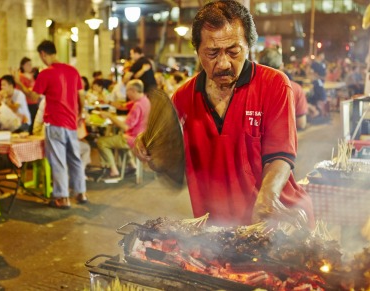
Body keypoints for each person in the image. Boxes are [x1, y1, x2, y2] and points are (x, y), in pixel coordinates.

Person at [134, 0, 313, 228]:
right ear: (197, 51)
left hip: (277, 219)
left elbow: (281, 155)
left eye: (233, 51)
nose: (223, 63)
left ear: (248, 46)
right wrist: (148, 146)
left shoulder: (274, 84)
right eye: (211, 53)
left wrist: (267, 197)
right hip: (217, 230)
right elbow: (166, 159)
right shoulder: (184, 97)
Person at [22, 40, 87, 208]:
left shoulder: (46, 73)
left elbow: (34, 97)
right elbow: (81, 95)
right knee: (74, 158)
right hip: (71, 122)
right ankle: (81, 193)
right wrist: (80, 113)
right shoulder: (73, 71)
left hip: (55, 122)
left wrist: (19, 83)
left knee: (58, 160)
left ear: (43, 54)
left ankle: (62, 197)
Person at [96, 80, 150, 179]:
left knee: (101, 141)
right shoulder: (145, 100)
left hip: (134, 139)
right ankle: (131, 164)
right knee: (117, 138)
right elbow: (122, 106)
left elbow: (125, 127)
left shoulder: (137, 106)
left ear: (133, 91)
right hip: (144, 137)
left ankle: (113, 170)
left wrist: (109, 116)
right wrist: (107, 102)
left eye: (127, 91)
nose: (126, 93)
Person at [258, 48, 308, 130]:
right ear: (281, 66)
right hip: (285, 140)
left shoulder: (249, 88)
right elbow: (301, 123)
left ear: (259, 65)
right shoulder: (295, 88)